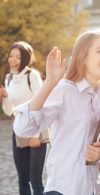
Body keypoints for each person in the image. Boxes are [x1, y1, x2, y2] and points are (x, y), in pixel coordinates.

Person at [13, 29, 100, 195]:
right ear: (83, 57)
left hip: (92, 189)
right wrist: (50, 82)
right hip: (63, 189)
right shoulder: (64, 90)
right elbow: (24, 128)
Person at [0, 41, 47, 195]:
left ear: (25, 59)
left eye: (18, 57)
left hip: (36, 132)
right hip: (19, 131)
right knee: (23, 179)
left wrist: (35, 135)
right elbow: (9, 112)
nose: (13, 60)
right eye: (11, 56)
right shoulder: (8, 79)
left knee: (35, 179)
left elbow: (41, 104)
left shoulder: (31, 76)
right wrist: (5, 98)